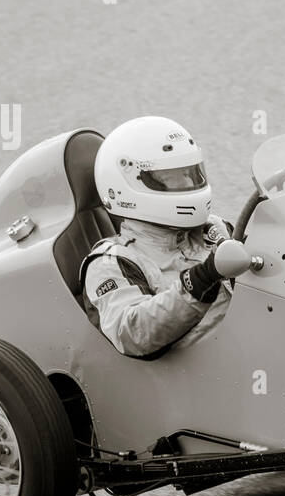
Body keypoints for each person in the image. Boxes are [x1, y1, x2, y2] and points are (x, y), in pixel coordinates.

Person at [81, 115, 243, 357]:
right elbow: (132, 333)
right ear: (128, 186)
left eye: (190, 173)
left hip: (256, 340)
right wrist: (197, 284)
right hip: (206, 374)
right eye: (174, 178)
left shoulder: (212, 228)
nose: (188, 181)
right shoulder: (111, 262)